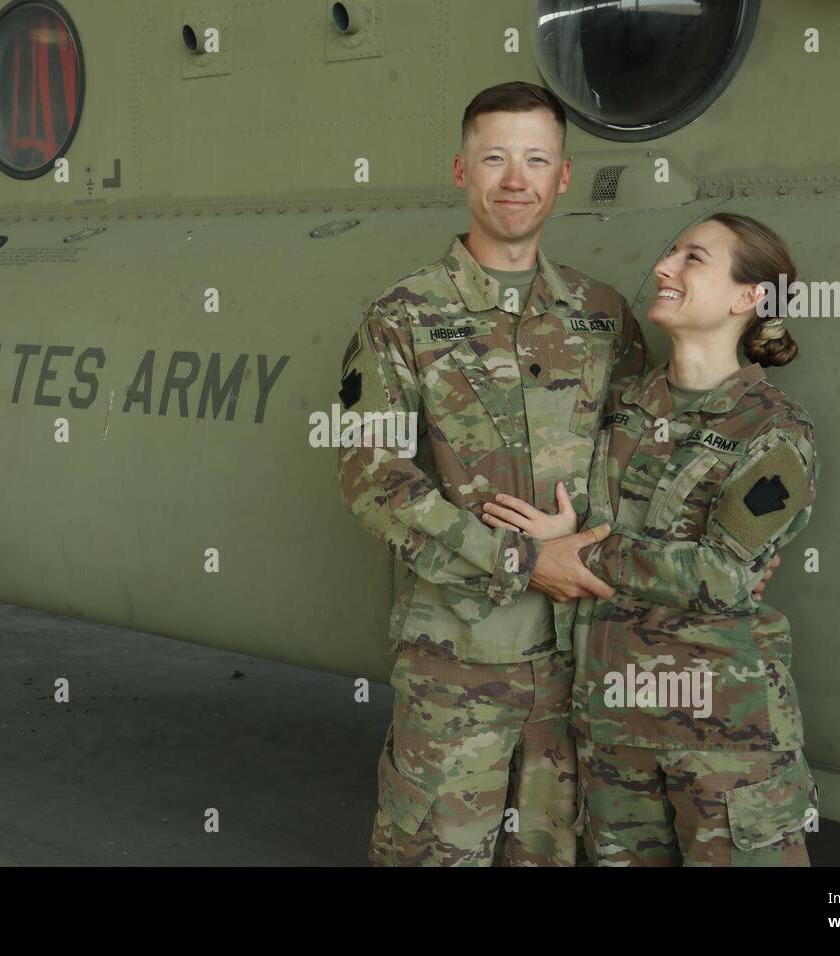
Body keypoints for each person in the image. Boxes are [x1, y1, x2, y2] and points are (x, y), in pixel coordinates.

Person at [335, 80, 644, 866]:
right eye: (495, 158)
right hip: (457, 664)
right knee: (436, 852)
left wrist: (601, 551)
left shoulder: (602, 316)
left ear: (563, 176)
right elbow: (373, 479)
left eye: (536, 159)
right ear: (461, 171)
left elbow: (638, 461)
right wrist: (524, 558)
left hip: (578, 662)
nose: (516, 179)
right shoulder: (401, 318)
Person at [483, 213, 818, 866]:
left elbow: (722, 576)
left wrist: (586, 551)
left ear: (749, 298)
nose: (664, 267)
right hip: (613, 733)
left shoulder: (774, 432)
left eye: (693, 258)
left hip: (723, 740)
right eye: (670, 252)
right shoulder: (620, 411)